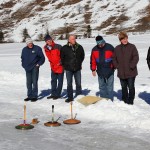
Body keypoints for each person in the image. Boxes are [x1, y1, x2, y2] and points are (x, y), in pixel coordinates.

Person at [113, 32, 139, 105]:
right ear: (120, 40)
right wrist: (117, 66)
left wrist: (131, 66)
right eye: (122, 39)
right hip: (121, 72)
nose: (124, 40)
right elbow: (114, 58)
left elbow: (136, 57)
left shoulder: (132, 47)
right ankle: (124, 99)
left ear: (127, 38)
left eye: (125, 38)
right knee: (123, 87)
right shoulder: (117, 48)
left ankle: (131, 100)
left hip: (131, 71)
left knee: (131, 87)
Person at [61, 35, 85, 103]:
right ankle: (70, 97)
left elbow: (82, 56)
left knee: (78, 83)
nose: (74, 40)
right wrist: (65, 65)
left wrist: (79, 63)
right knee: (69, 84)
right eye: (72, 39)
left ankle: (79, 96)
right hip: (68, 69)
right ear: (69, 40)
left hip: (77, 68)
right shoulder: (64, 48)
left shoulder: (79, 47)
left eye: (74, 39)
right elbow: (62, 58)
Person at [90, 35, 114, 100]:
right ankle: (103, 100)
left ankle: (110, 100)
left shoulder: (110, 47)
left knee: (110, 87)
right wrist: (93, 69)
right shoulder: (94, 49)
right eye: (98, 44)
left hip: (110, 71)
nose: (100, 45)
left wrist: (113, 67)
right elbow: (93, 60)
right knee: (102, 86)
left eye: (101, 43)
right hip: (100, 71)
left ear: (103, 41)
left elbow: (115, 58)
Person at [44, 35, 64, 100]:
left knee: (60, 81)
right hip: (53, 67)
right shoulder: (46, 48)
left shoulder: (58, 46)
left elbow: (64, 56)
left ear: (51, 39)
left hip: (60, 66)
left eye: (49, 40)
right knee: (53, 81)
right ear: (46, 41)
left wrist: (60, 63)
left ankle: (58, 94)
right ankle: (53, 94)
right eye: (47, 40)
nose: (49, 41)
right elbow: (50, 57)